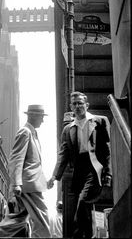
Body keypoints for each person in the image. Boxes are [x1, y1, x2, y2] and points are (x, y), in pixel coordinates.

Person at [47, 91, 112, 239]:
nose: (77, 106)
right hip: (79, 171)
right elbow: (63, 155)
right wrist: (54, 176)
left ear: (87, 105)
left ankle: (77, 236)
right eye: (74, 104)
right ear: (71, 106)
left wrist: (108, 173)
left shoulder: (100, 121)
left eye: (80, 103)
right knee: (86, 212)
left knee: (82, 205)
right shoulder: (68, 129)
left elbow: (107, 150)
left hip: (94, 168)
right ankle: (88, 236)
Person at [0, 104, 51, 238]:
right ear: (32, 116)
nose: (42, 120)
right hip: (29, 185)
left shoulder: (33, 133)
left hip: (31, 183)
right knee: (42, 220)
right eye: (41, 117)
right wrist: (16, 183)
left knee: (16, 220)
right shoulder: (25, 132)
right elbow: (16, 159)